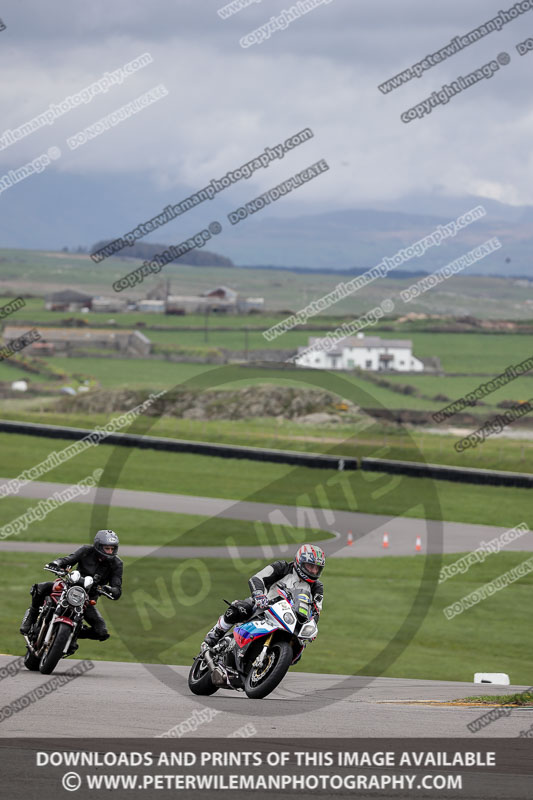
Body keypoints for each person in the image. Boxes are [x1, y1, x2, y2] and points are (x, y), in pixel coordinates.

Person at [203, 544, 325, 662]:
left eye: (317, 568)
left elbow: (316, 609)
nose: (313, 571)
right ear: (300, 562)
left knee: (297, 650)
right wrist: (259, 594)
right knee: (240, 609)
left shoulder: (317, 587)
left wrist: (311, 625)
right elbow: (258, 578)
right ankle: (213, 637)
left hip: (290, 619)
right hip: (265, 607)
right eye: (310, 566)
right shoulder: (282, 567)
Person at [19, 530, 122, 641]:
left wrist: (110, 589)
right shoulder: (86, 551)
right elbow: (69, 559)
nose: (110, 552)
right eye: (107, 548)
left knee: (101, 632)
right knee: (40, 588)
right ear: (98, 546)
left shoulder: (117, 564)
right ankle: (31, 617)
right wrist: (57, 564)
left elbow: (117, 587)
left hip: (86, 600)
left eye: (112, 549)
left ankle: (71, 634)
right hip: (69, 587)